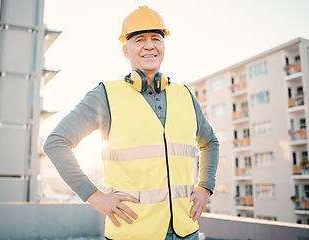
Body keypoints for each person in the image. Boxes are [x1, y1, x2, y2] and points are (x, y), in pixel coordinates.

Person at [44, 6, 219, 240]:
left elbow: (210, 142)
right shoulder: (105, 95)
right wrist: (94, 196)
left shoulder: (185, 95)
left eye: (155, 38)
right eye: (139, 39)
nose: (149, 45)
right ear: (126, 50)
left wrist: (205, 186)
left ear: (164, 47)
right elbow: (56, 143)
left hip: (186, 231)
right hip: (133, 233)